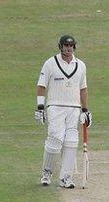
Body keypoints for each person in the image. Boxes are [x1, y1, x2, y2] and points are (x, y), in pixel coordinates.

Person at [35, 34, 92, 188]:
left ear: (74, 47)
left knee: (72, 142)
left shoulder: (80, 65)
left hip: (74, 108)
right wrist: (40, 107)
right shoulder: (50, 63)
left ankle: (66, 177)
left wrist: (85, 110)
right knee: (55, 140)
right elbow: (41, 86)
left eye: (71, 46)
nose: (68, 48)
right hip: (55, 106)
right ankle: (47, 173)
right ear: (60, 46)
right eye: (66, 46)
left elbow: (83, 89)